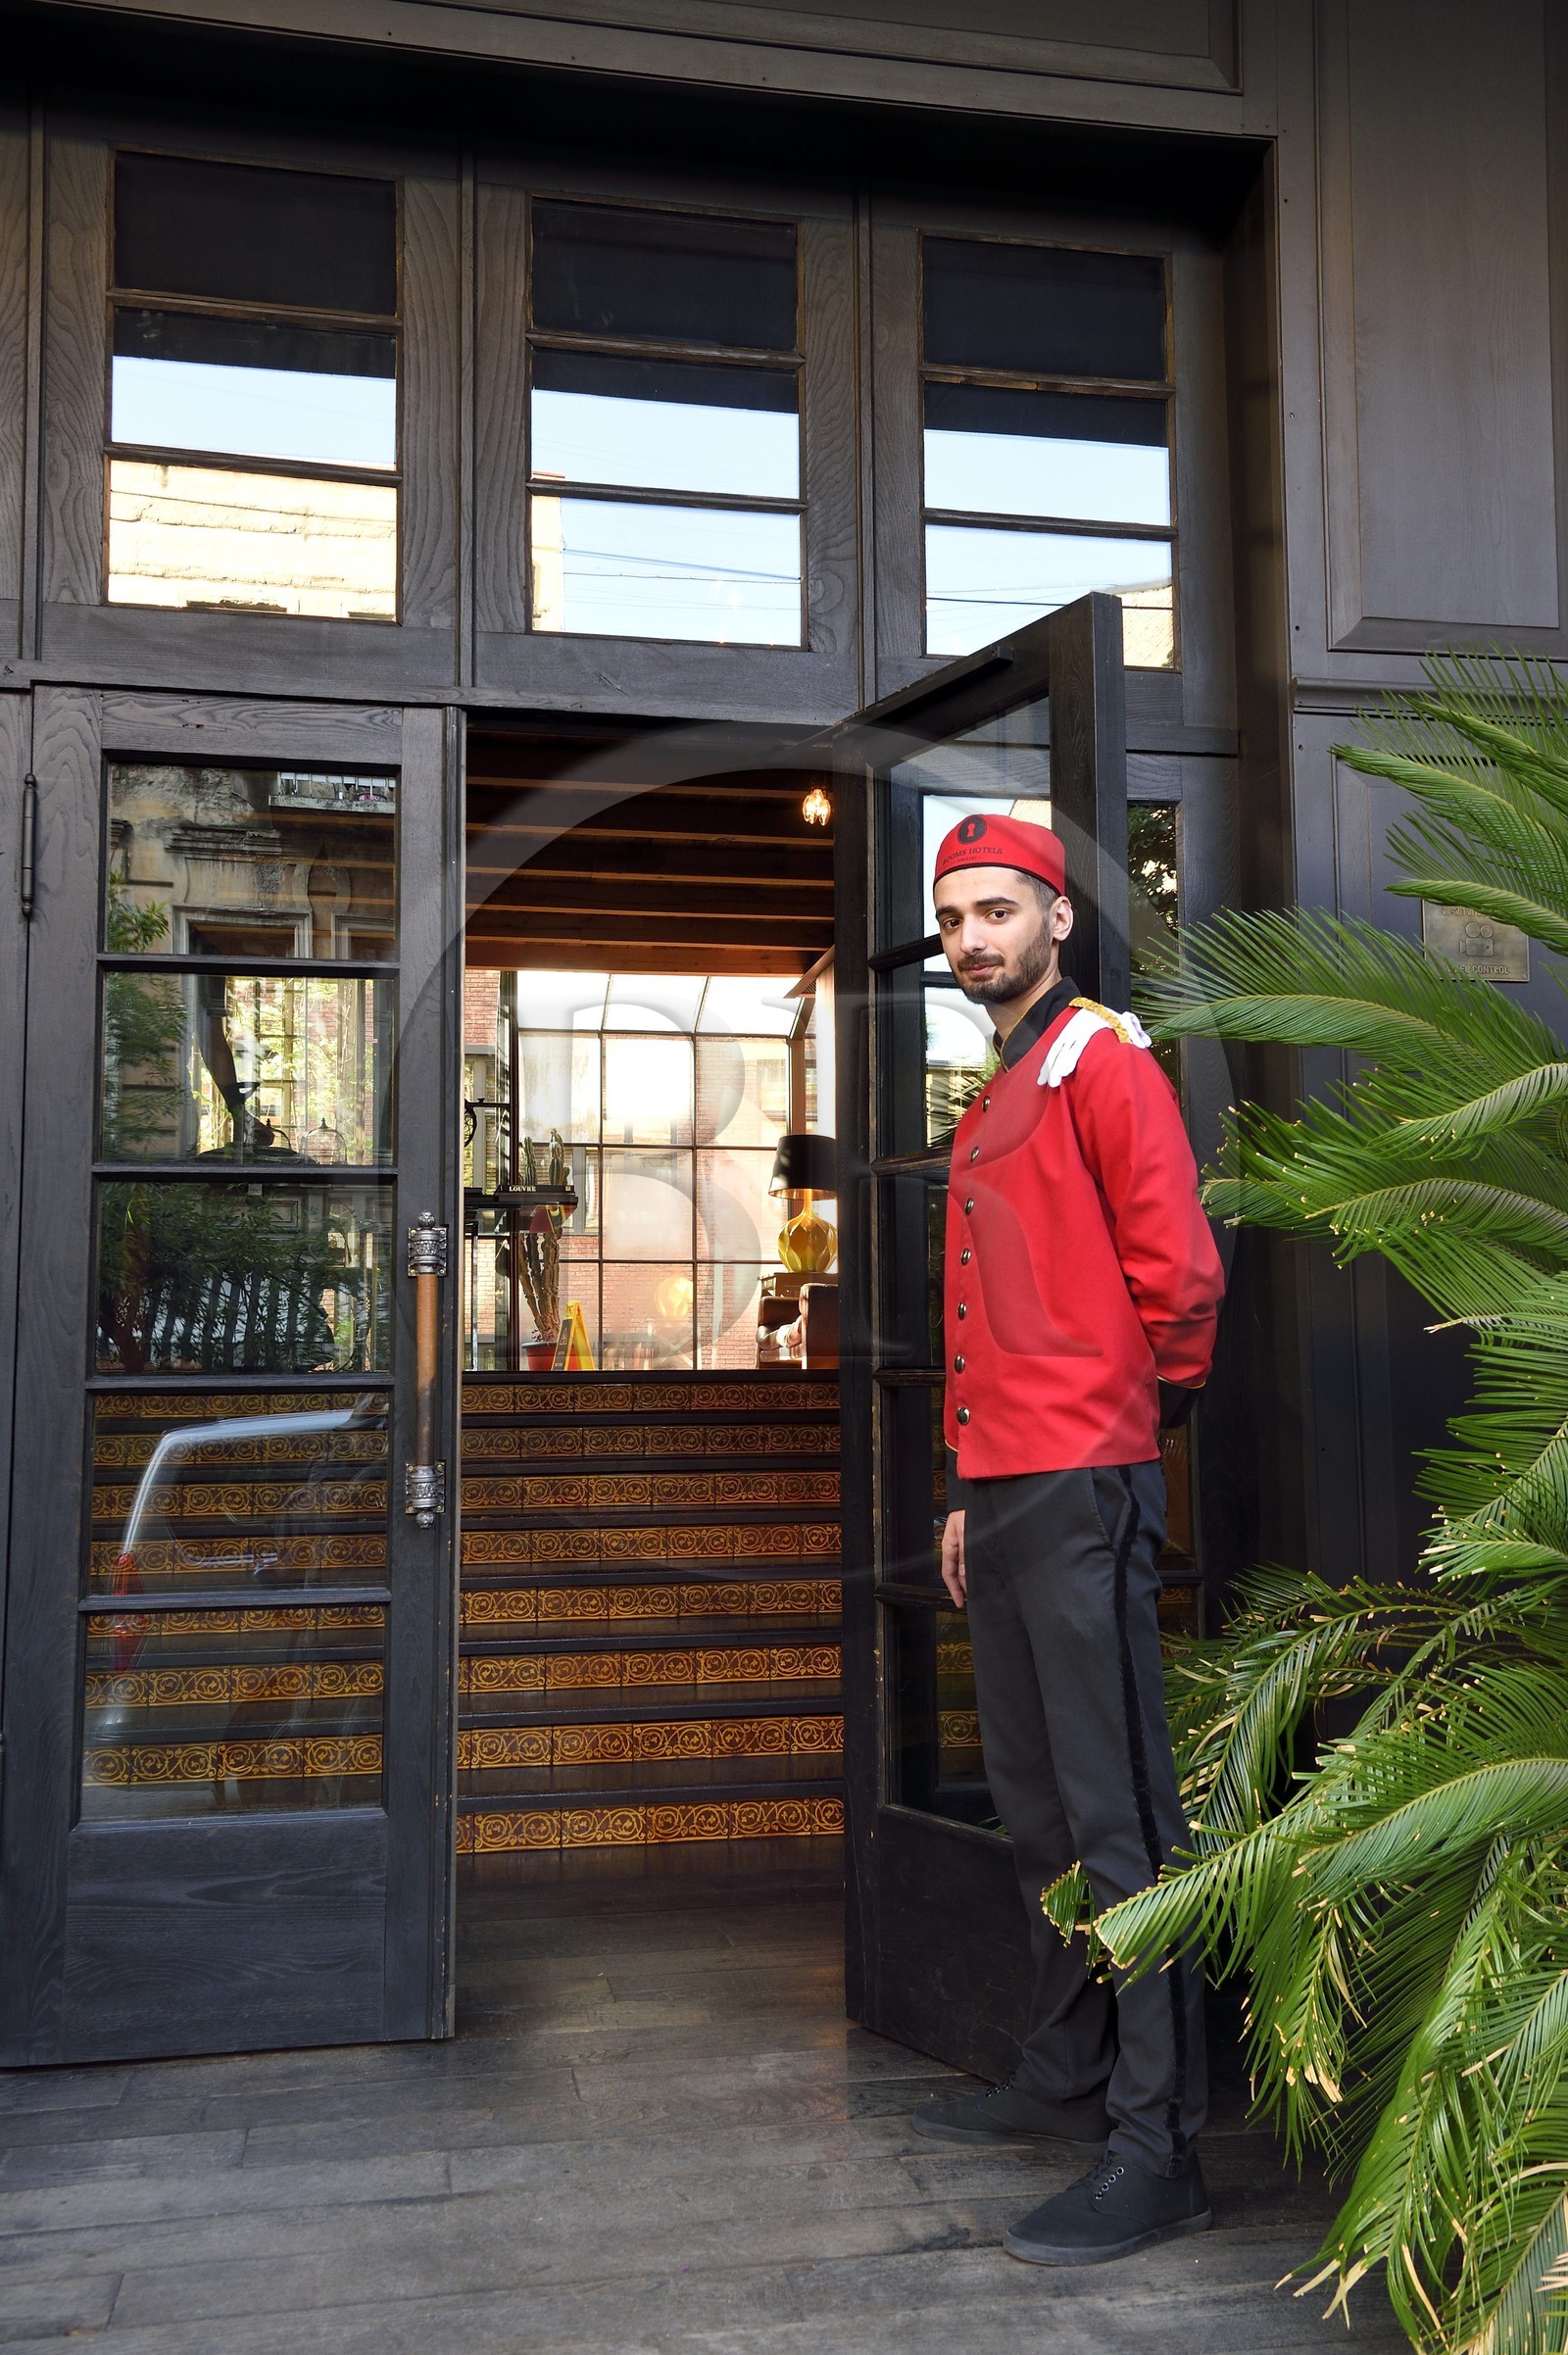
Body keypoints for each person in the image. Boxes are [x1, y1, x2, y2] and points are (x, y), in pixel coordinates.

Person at [911, 810, 1225, 2266]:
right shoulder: (998, 1088)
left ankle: (1159, 2147)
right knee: (1035, 1804)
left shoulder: (1104, 1063)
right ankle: (1068, 2065)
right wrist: (972, 1485)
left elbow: (1183, 1280)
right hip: (1009, 1486)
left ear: (1055, 922)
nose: (973, 937)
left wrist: (1113, 1440)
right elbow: (991, 1313)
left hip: (1085, 1480)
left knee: (1119, 1820)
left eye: (997, 912)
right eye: (955, 916)